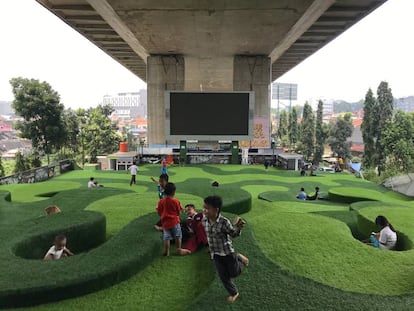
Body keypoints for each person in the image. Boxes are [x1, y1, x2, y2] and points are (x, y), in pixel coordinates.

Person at [202, 195, 249, 303]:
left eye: (207, 208)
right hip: (216, 254)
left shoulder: (224, 222)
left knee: (234, 273)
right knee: (223, 276)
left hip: (228, 252)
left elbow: (233, 234)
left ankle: (239, 257)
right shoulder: (204, 220)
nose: (204, 210)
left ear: (216, 210)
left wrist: (239, 228)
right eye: (203, 207)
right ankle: (234, 293)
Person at [156, 182, 183, 256]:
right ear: (174, 192)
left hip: (165, 222)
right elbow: (178, 212)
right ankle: (179, 249)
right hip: (175, 222)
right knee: (178, 236)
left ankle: (167, 251)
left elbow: (159, 211)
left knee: (166, 237)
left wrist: (162, 216)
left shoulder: (161, 201)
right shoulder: (176, 201)